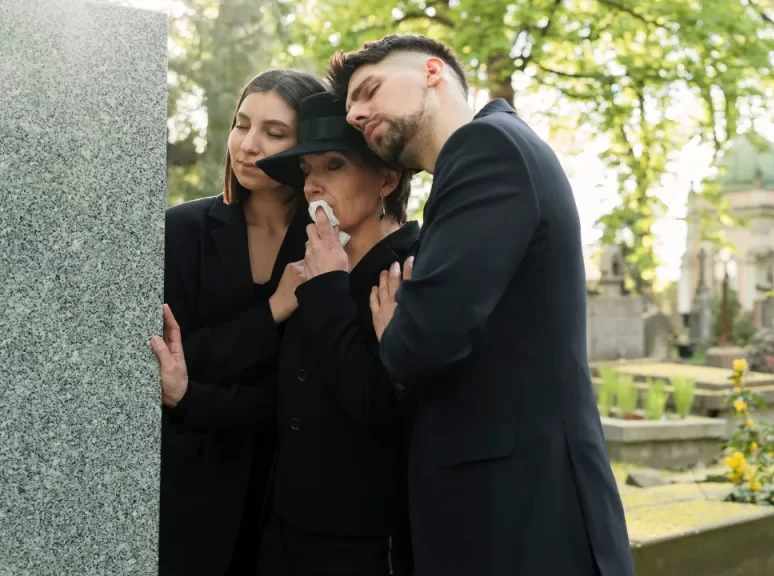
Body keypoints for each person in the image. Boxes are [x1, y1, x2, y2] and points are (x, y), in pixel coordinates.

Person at [329, 35, 635, 576]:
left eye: (369, 91)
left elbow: (421, 343)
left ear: (431, 72)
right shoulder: (489, 154)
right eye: (352, 109)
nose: (356, 113)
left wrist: (394, 328)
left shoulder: (485, 148)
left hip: (523, 520)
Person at [151, 69, 326, 576]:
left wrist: (192, 399)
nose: (248, 145)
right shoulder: (182, 230)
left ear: (305, 148)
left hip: (288, 491)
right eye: (241, 124)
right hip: (191, 489)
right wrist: (275, 308)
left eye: (274, 132)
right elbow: (173, 359)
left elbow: (303, 392)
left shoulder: (326, 245)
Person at [259, 91, 418, 574]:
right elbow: (289, 402)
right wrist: (190, 396)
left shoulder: (417, 269)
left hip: (364, 545)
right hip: (285, 535)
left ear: (387, 178)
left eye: (333, 165)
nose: (312, 185)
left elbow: (375, 406)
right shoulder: (320, 267)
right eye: (308, 171)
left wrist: (328, 286)